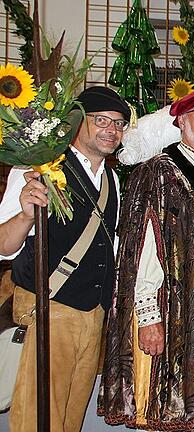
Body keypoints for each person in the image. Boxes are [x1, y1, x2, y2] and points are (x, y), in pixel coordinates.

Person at [98, 88, 194, 431]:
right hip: (174, 314)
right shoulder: (157, 173)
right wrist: (148, 314)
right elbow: (141, 250)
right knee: (172, 408)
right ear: (181, 121)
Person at [0, 86, 129, 432]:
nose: (111, 130)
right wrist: (26, 214)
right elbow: (3, 245)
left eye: (118, 124)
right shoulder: (38, 167)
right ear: (76, 124)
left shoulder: (113, 180)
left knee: (70, 417)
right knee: (37, 416)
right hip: (48, 309)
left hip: (93, 314)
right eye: (100, 120)